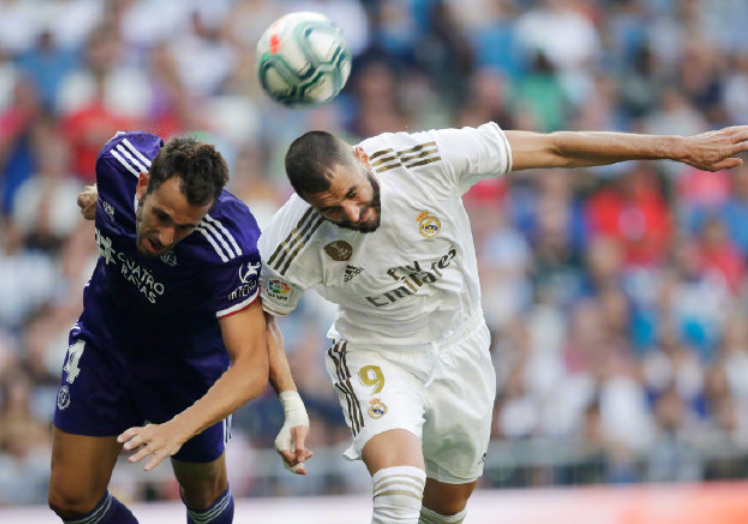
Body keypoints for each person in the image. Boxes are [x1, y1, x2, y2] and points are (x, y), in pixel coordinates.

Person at [258, 122, 748, 524]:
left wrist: (675, 147)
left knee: (448, 506)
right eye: (331, 208)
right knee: (398, 489)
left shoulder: (425, 158)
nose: (351, 212)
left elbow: (555, 148)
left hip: (462, 341)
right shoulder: (289, 243)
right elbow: (264, 320)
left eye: (352, 193)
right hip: (377, 351)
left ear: (362, 159)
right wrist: (291, 403)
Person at [48, 131, 311, 524]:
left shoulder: (231, 245)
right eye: (162, 217)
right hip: (106, 345)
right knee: (69, 498)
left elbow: (251, 366)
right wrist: (104, 202)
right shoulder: (116, 162)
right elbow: (112, 197)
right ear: (142, 185)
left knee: (204, 500)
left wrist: (176, 429)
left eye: (185, 228)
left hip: (188, 374)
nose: (166, 238)